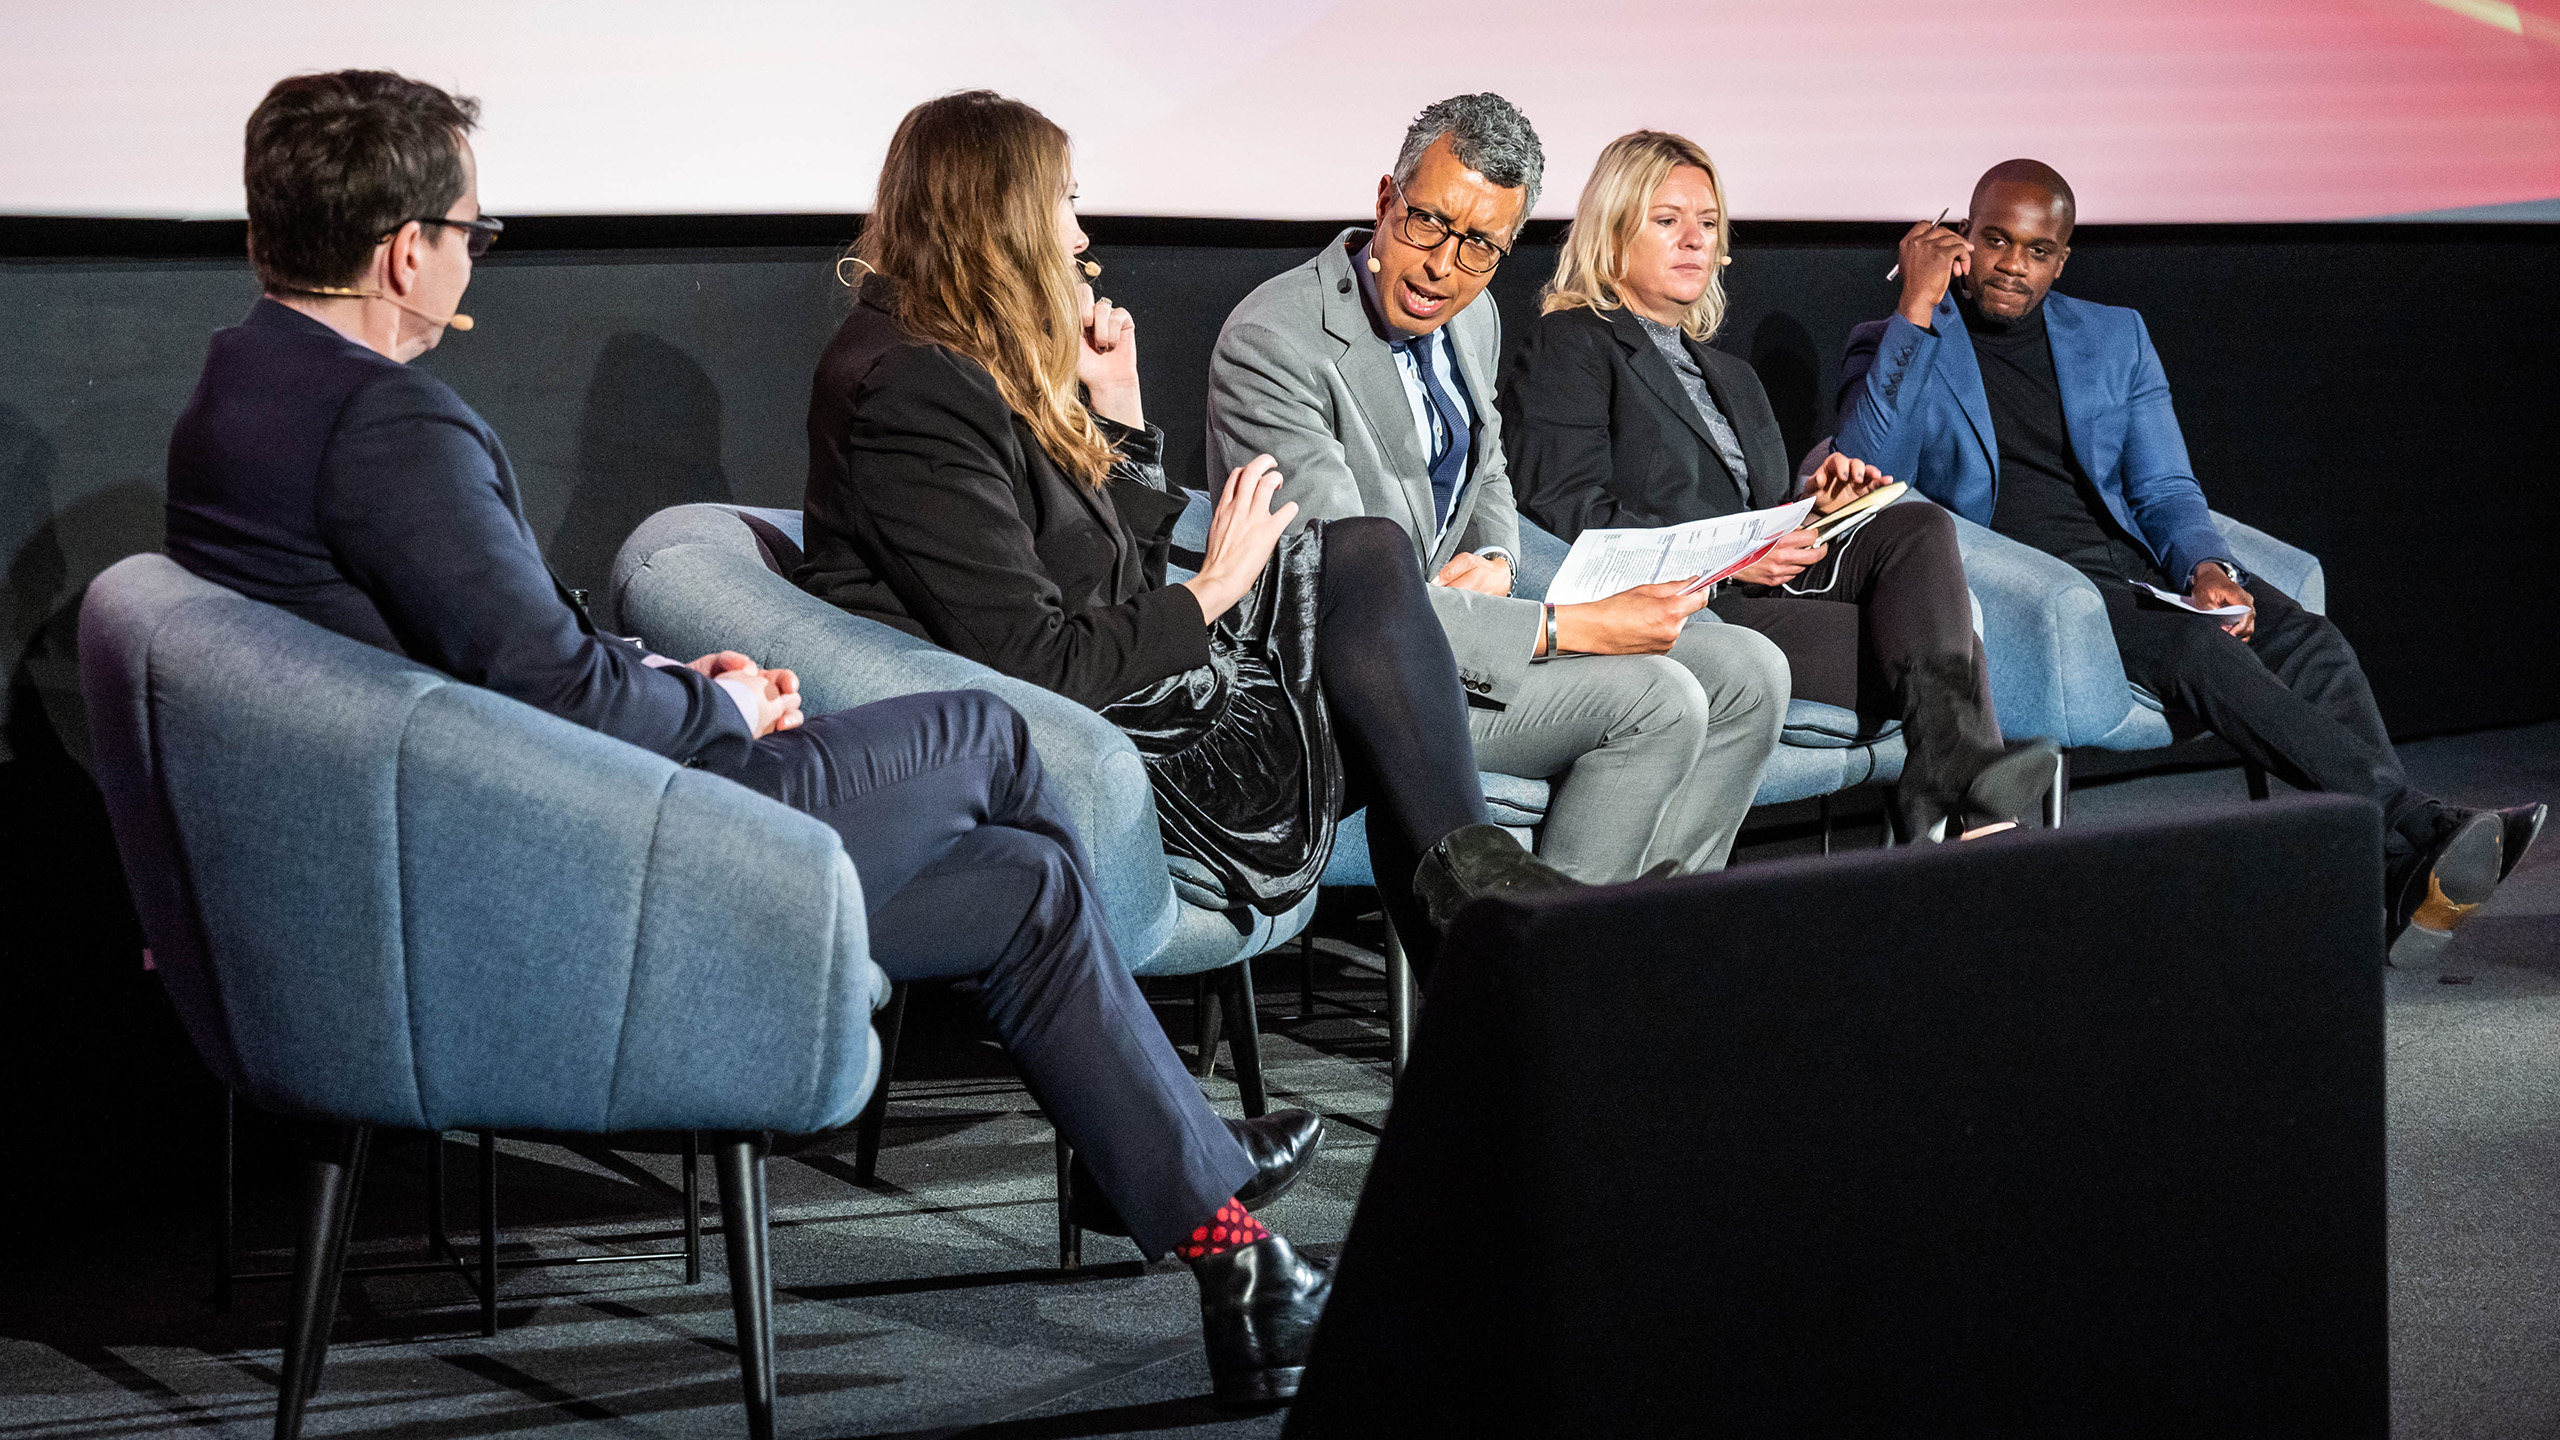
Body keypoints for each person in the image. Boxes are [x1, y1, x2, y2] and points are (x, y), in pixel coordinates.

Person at [164, 71, 1331, 1407]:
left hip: (470, 831)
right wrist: (715, 705)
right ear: (404, 250)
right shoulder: (390, 423)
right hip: (564, 855)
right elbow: (537, 687)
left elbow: (495, 652)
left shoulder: (242, 382)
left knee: (1028, 886)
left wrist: (662, 665)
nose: (474, 258)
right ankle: (1167, 1158)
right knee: (989, 739)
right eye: (473, 233)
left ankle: (1224, 1247)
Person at [798, 91, 1573, 988]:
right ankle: (1500, 956)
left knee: (1365, 559)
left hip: (1137, 693)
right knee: (1378, 637)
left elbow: (1107, 575)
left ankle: (1486, 947)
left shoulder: (961, 360)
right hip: (1117, 740)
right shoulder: (915, 390)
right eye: (1064, 205)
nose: (1081, 238)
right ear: (998, 220)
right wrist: (1212, 588)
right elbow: (1038, 659)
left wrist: (1117, 413)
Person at [1834, 158, 2544, 955]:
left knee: (2310, 638)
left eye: (2037, 251)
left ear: (2062, 259)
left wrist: (2208, 569)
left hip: (2136, 566)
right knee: (2195, 650)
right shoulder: (1898, 339)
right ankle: (2416, 825)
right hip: (2033, 586)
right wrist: (1916, 307)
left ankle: (2389, 878)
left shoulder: (2113, 335)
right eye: (1994, 240)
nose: (2011, 264)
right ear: (1961, 237)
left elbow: (2166, 486)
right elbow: (1868, 477)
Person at [1207, 94, 1790, 881]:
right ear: (1386, 200)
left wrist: (1497, 554)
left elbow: (1490, 469)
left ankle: (1654, 950)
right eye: (1427, 224)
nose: (1444, 267)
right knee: (1660, 702)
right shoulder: (1274, 341)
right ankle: (1548, 974)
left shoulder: (1470, 316)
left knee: (1754, 674)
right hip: (1355, 677)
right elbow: (1339, 593)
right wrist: (1567, 628)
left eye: (1482, 245)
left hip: (1461, 625)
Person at [1501, 130, 2058, 840]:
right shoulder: (1572, 344)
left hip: (1762, 583)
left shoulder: (1732, 375)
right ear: (1611, 236)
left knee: (1916, 527)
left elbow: (1753, 513)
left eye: (1708, 225)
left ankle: (1949, 792)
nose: (1695, 241)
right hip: (1688, 607)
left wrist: (1815, 507)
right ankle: (1960, 798)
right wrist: (1730, 556)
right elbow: (1567, 510)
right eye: (1668, 222)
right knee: (1952, 654)